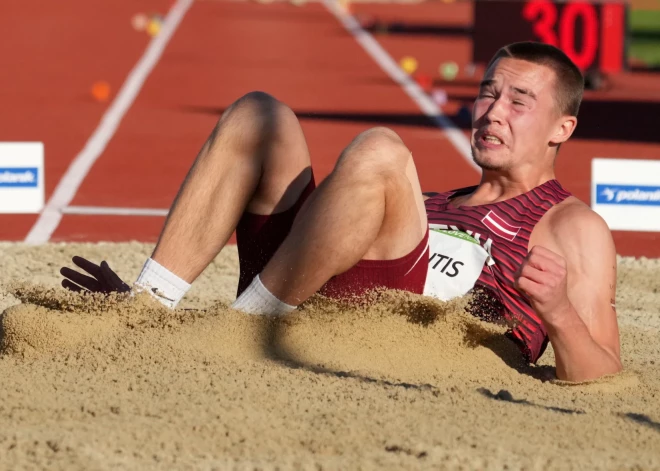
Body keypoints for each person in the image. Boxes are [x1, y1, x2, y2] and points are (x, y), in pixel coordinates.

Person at [60, 41, 622, 383]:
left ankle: (238, 328)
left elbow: (606, 373)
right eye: (487, 93)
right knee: (261, 114)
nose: (493, 112)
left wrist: (559, 315)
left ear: (562, 129)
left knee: (380, 150)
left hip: (403, 338)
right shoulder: (431, 205)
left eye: (518, 101)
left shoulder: (571, 226)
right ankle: (148, 304)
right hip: (307, 302)